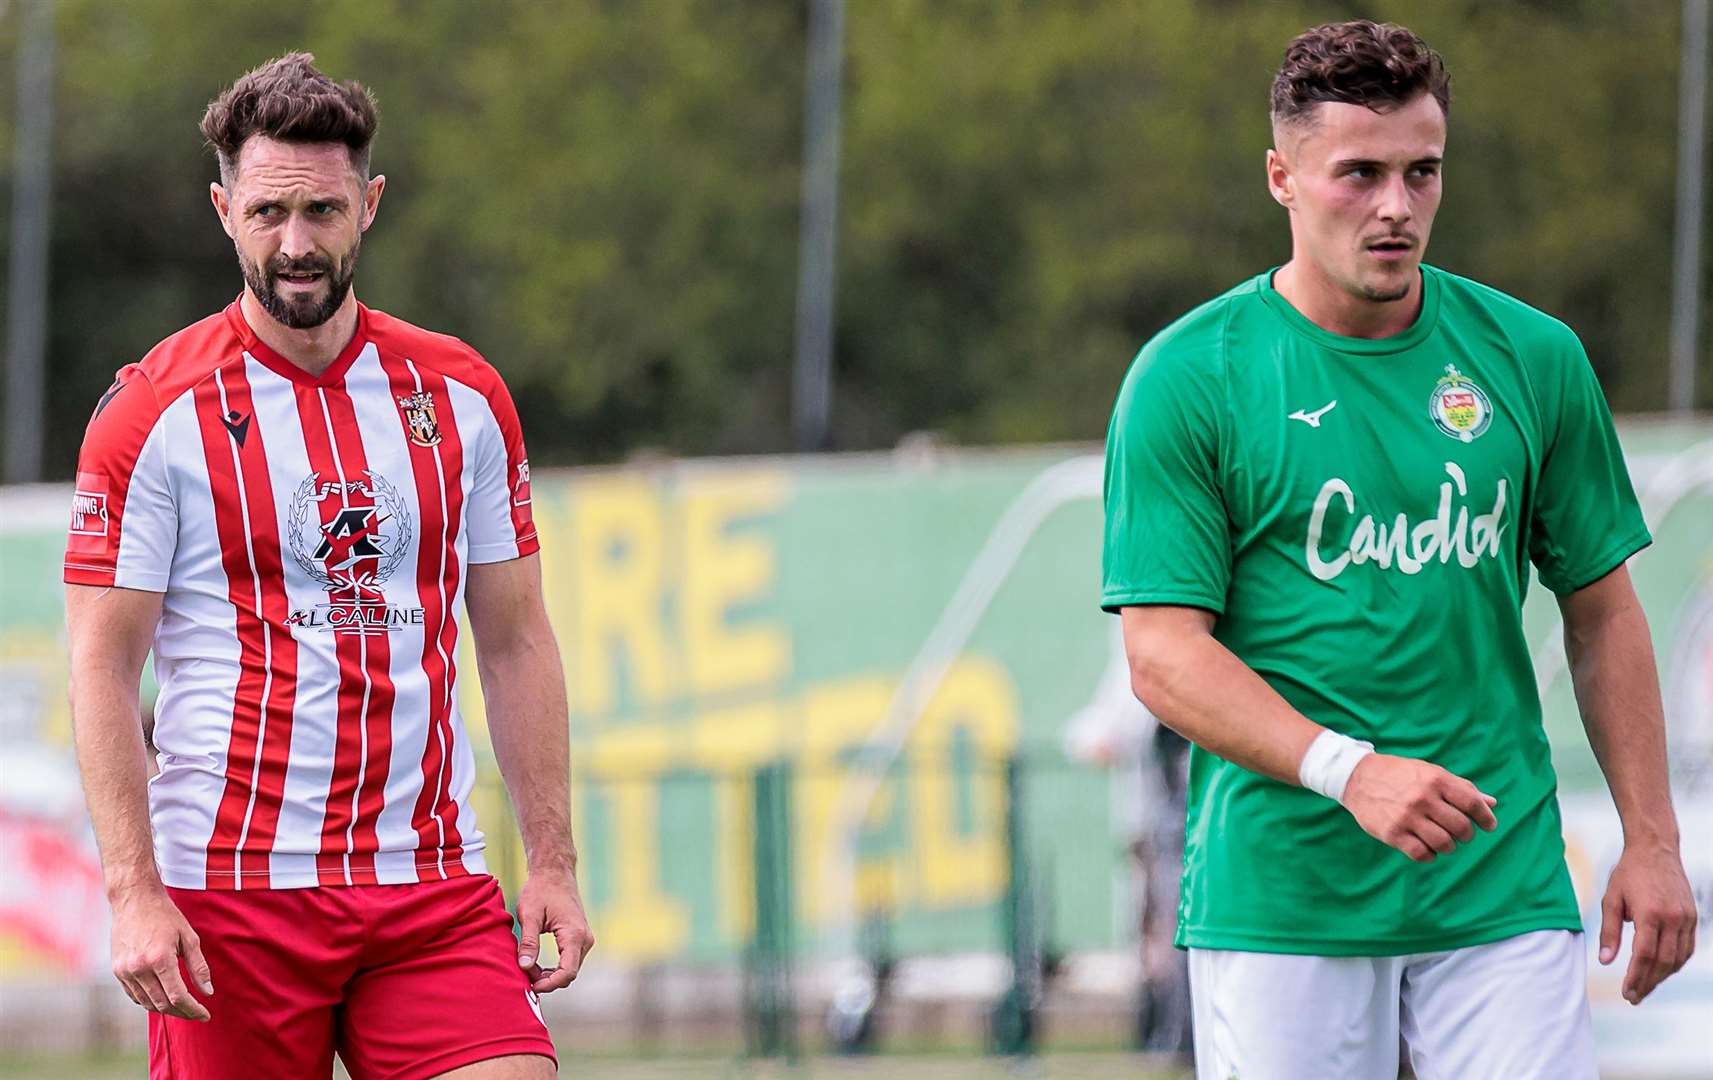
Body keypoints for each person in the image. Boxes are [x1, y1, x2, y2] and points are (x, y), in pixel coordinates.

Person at [1100, 20, 1696, 1079]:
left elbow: (1603, 610)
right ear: (1282, 177)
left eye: (1423, 173)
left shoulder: (1532, 358)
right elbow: (1163, 655)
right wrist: (1350, 772)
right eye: (1359, 174)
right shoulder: (1190, 377)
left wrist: (1652, 840)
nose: (1396, 207)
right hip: (1285, 897)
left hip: (1500, 881)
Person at [63, 53, 593, 1079]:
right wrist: (133, 892)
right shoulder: (151, 416)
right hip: (232, 899)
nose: (296, 244)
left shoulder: (462, 397)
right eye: (268, 214)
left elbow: (518, 641)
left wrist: (555, 866)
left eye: (322, 210)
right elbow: (99, 663)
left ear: (370, 205)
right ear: (223, 211)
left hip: (428, 884)